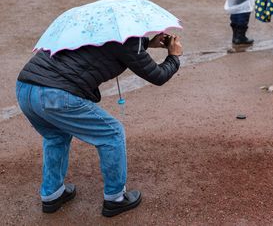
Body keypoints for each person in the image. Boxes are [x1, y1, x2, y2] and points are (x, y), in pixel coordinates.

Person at [16, 33, 182, 217]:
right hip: (55, 94)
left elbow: (113, 48)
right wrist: (173, 56)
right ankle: (115, 199)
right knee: (112, 134)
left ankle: (52, 194)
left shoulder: (92, 29)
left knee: (56, 136)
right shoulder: (129, 40)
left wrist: (147, 43)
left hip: (25, 87)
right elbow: (158, 76)